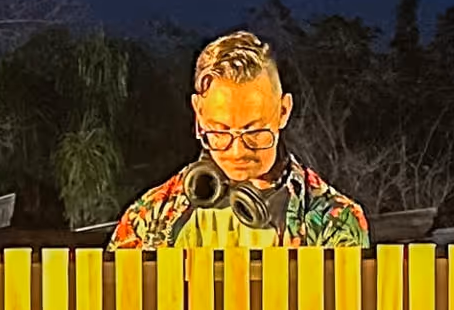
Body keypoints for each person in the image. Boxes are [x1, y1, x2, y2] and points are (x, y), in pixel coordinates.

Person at [111, 32, 371, 248]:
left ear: (283, 112)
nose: (237, 151)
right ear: (199, 115)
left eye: (254, 132)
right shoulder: (148, 218)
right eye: (220, 132)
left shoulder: (334, 221)